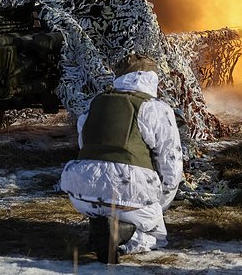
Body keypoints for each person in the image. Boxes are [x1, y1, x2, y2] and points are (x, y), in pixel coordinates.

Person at [60, 53, 184, 264]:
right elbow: (171, 160)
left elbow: (85, 146)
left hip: (81, 194)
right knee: (156, 235)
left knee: (105, 207)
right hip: (131, 195)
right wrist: (160, 204)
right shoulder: (155, 108)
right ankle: (120, 236)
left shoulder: (95, 103)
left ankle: (100, 228)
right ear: (152, 78)